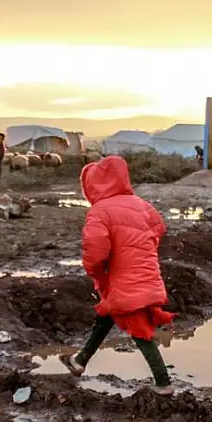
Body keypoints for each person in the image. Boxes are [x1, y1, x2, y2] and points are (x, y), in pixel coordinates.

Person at [60, 155, 175, 395]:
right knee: (107, 316)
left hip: (124, 280)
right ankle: (79, 361)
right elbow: (159, 228)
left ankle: (164, 384)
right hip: (147, 273)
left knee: (139, 329)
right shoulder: (143, 205)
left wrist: (95, 271)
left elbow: (95, 249)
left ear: (93, 184)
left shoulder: (100, 211)